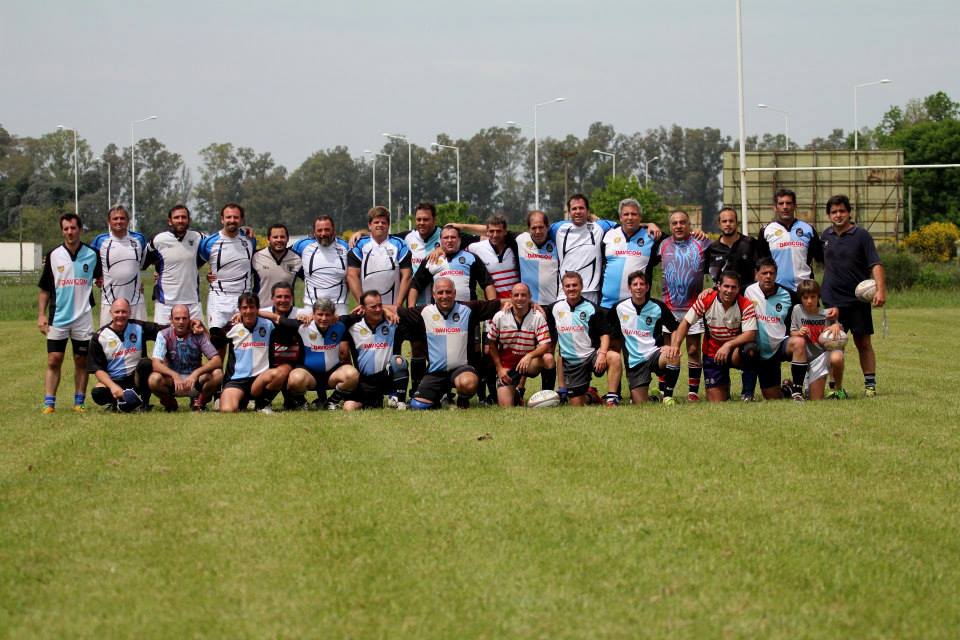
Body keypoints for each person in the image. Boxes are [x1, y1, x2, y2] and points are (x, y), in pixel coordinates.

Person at [397, 278, 502, 409]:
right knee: (418, 406)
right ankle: (439, 397)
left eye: (448, 292)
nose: (444, 296)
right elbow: (396, 310)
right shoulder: (424, 312)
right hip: (435, 372)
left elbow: (499, 304)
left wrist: (529, 303)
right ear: (434, 294)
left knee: (468, 383)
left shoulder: (468, 309)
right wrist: (383, 310)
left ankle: (463, 399)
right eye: (440, 292)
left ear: (454, 293)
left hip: (462, 370)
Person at [820, 194, 886, 397]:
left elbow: (875, 264)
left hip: (857, 302)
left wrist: (881, 289)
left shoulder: (861, 235)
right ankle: (835, 389)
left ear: (849, 212)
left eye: (842, 211)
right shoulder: (825, 237)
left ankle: (870, 386)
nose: (838, 215)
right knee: (832, 346)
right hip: (832, 301)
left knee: (863, 343)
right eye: (834, 212)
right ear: (829, 215)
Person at [37, 212, 102, 414]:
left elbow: (102, 279)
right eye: (66, 229)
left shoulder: (92, 254)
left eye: (73, 228)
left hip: (83, 317)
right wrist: (41, 315)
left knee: (81, 360)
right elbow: (45, 289)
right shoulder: (54, 255)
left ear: (80, 230)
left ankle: (79, 402)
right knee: (54, 359)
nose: (70, 232)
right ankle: (49, 403)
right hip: (59, 316)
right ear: (62, 231)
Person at [665, 271, 757, 403]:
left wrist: (728, 345)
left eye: (733, 287)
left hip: (734, 351)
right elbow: (686, 323)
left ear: (738, 289)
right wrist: (675, 346)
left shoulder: (745, 304)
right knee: (716, 401)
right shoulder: (706, 299)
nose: (729, 291)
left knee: (751, 349)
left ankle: (747, 395)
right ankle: (724, 385)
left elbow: (750, 334)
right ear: (718, 286)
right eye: (726, 286)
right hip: (712, 353)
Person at [547, 271, 622, 407]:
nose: (571, 289)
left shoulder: (592, 309)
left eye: (575, 285)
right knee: (576, 404)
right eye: (567, 286)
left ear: (581, 286)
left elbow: (604, 334)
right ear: (563, 288)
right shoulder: (555, 308)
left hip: (592, 356)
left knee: (614, 357)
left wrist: (602, 354)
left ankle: (611, 398)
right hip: (573, 363)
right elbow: (535, 311)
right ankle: (591, 396)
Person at [218, 293, 302, 413]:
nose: (248, 311)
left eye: (252, 307)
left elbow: (294, 327)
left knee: (283, 370)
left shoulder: (268, 325)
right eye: (244, 308)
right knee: (228, 410)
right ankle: (242, 400)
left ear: (258, 309)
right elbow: (214, 341)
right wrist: (200, 329)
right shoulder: (233, 326)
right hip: (237, 381)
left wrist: (267, 315)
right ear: (239, 310)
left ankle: (262, 404)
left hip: (260, 380)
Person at [608, 270, 682, 405]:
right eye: (635, 284)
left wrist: (673, 346)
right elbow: (606, 331)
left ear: (647, 287)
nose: (638, 287)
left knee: (674, 356)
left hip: (655, 354)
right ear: (629, 288)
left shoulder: (658, 307)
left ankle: (667, 396)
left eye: (642, 284)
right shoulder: (619, 308)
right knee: (639, 403)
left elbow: (676, 328)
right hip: (635, 362)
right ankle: (654, 397)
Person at [659, 209, 710, 401]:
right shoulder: (662, 245)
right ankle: (665, 390)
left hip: (693, 307)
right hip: (669, 308)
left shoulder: (702, 242)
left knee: (693, 350)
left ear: (689, 225)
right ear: (670, 226)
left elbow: (717, 262)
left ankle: (692, 392)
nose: (679, 226)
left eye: (682, 222)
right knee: (668, 349)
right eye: (675, 223)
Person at [87, 298, 165, 411]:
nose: (120, 315)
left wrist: (189, 325)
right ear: (110, 313)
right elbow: (98, 369)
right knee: (98, 393)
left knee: (146, 364)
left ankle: (144, 403)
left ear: (130, 312)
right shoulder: (99, 337)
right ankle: (118, 402)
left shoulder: (139, 327)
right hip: (115, 381)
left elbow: (165, 332)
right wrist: (113, 387)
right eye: (117, 312)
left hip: (136, 379)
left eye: (124, 312)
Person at [198, 203, 257, 348]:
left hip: (243, 298)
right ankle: (217, 371)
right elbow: (194, 265)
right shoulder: (208, 243)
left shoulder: (250, 240)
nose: (232, 220)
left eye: (236, 217)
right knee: (217, 343)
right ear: (222, 219)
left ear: (242, 220)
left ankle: (235, 371)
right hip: (218, 299)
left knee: (241, 343)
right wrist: (206, 276)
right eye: (228, 217)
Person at [486, 283, 554, 407]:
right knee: (506, 407)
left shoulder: (537, 316)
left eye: (523, 295)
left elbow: (546, 345)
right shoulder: (500, 316)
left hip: (529, 363)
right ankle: (516, 396)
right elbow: (491, 343)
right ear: (510, 297)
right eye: (516, 295)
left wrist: (529, 356)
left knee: (548, 358)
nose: (519, 298)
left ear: (529, 297)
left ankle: (548, 396)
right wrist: (499, 369)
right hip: (508, 366)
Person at [286, 298, 360, 410]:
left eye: (327, 315)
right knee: (294, 379)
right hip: (308, 374)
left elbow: (365, 312)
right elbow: (277, 319)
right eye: (320, 314)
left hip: (333, 373)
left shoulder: (341, 322)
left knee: (352, 374)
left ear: (333, 315)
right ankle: (302, 403)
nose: (324, 318)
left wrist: (386, 311)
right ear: (313, 314)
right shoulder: (302, 325)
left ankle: (332, 402)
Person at [741, 258, 799, 401]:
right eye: (764, 273)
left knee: (773, 398)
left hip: (776, 349)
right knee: (750, 349)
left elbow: (810, 305)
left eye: (771, 273)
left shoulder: (788, 295)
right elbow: (723, 291)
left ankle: (791, 390)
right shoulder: (746, 291)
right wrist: (707, 292)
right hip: (753, 347)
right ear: (756, 274)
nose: (768, 276)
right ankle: (747, 394)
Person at [342, 291, 410, 411]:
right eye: (373, 307)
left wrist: (386, 310)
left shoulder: (393, 322)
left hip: (388, 377)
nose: (378, 309)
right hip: (365, 380)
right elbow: (333, 321)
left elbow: (412, 316)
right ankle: (374, 401)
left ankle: (399, 400)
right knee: (349, 407)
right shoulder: (352, 325)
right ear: (362, 308)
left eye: (380, 305)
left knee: (399, 361)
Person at [148, 304, 223, 411]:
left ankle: (199, 403)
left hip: (195, 381)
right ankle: (170, 403)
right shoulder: (163, 335)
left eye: (184, 318)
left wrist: (195, 373)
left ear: (189, 319)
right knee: (153, 379)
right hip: (173, 382)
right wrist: (174, 375)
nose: (181, 322)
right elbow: (156, 364)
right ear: (171, 320)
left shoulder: (198, 334)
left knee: (218, 374)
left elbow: (217, 360)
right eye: (177, 318)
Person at [787, 279, 846, 401]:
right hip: (806, 358)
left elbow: (841, 338)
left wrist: (836, 325)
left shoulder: (827, 313)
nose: (809, 301)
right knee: (814, 399)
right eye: (805, 297)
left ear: (818, 297)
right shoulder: (797, 310)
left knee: (837, 357)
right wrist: (798, 333)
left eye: (813, 297)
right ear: (800, 298)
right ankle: (789, 386)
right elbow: (792, 331)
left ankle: (838, 390)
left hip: (824, 356)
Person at [408, 225, 496, 304]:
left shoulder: (472, 258)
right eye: (446, 238)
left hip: (469, 315)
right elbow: (415, 285)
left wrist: (493, 307)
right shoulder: (431, 260)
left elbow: (487, 284)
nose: (449, 240)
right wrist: (411, 310)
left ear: (459, 240)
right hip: (439, 317)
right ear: (440, 240)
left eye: (453, 237)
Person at [145, 204, 204, 322]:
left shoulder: (199, 237)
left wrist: (243, 231)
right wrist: (157, 270)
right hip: (165, 303)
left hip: (192, 302)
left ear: (189, 220)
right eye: (176, 217)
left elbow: (216, 248)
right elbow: (142, 263)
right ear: (170, 221)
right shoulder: (158, 239)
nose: (180, 220)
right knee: (164, 339)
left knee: (198, 339)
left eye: (183, 217)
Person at [91, 205, 148, 326]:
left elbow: (147, 261)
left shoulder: (139, 239)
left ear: (128, 221)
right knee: (108, 340)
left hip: (135, 301)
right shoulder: (100, 240)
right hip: (109, 301)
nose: (119, 221)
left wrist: (157, 272)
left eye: (122, 218)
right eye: (115, 218)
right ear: (109, 221)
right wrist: (97, 277)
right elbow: (91, 263)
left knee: (137, 339)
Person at [600, 198, 661, 310]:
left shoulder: (652, 236)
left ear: (640, 217)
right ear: (620, 217)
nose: (630, 217)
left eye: (634, 214)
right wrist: (648, 223)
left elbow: (677, 239)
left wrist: (696, 234)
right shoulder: (608, 234)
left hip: (636, 307)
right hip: (606, 305)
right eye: (626, 214)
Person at [757, 188, 823, 292]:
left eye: (788, 203)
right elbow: (761, 263)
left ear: (795, 206)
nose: (785, 207)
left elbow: (821, 259)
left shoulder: (808, 229)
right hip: (777, 290)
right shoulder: (766, 231)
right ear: (775, 207)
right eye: (781, 203)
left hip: (805, 289)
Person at [347, 206, 412, 306]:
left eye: (383, 222)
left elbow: (406, 276)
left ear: (388, 225)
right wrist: (362, 305)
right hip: (368, 308)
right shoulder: (360, 245)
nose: (380, 225)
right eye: (376, 222)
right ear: (370, 225)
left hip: (392, 307)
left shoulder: (399, 244)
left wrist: (397, 306)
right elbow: (352, 275)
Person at [292, 215, 351, 314]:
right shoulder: (302, 246)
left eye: (327, 230)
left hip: (339, 308)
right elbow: (283, 253)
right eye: (319, 230)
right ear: (314, 232)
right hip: (311, 307)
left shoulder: (346, 247)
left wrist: (360, 233)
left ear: (333, 230)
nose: (323, 233)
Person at [704, 207, 761, 288]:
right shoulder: (711, 249)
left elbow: (761, 269)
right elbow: (706, 277)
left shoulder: (750, 243)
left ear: (737, 223)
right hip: (721, 298)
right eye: (724, 221)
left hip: (746, 296)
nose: (728, 224)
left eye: (731, 221)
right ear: (719, 224)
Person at [401, 202, 443, 305]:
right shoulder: (408, 237)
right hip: (413, 301)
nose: (421, 223)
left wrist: (443, 248)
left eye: (426, 219)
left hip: (438, 302)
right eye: (418, 219)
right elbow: (384, 237)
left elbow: (483, 236)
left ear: (434, 220)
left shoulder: (446, 235)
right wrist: (361, 233)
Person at [515, 210, 560, 306]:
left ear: (547, 227)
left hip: (552, 305)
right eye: (534, 228)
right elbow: (495, 231)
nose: (538, 231)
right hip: (528, 305)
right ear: (528, 229)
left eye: (541, 227)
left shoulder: (558, 243)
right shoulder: (520, 240)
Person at [253, 223, 301, 303]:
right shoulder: (256, 256)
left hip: (286, 312)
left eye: (282, 237)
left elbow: (310, 280)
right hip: (261, 312)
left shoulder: (297, 258)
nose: (279, 240)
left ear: (287, 239)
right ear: (268, 239)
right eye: (275, 237)